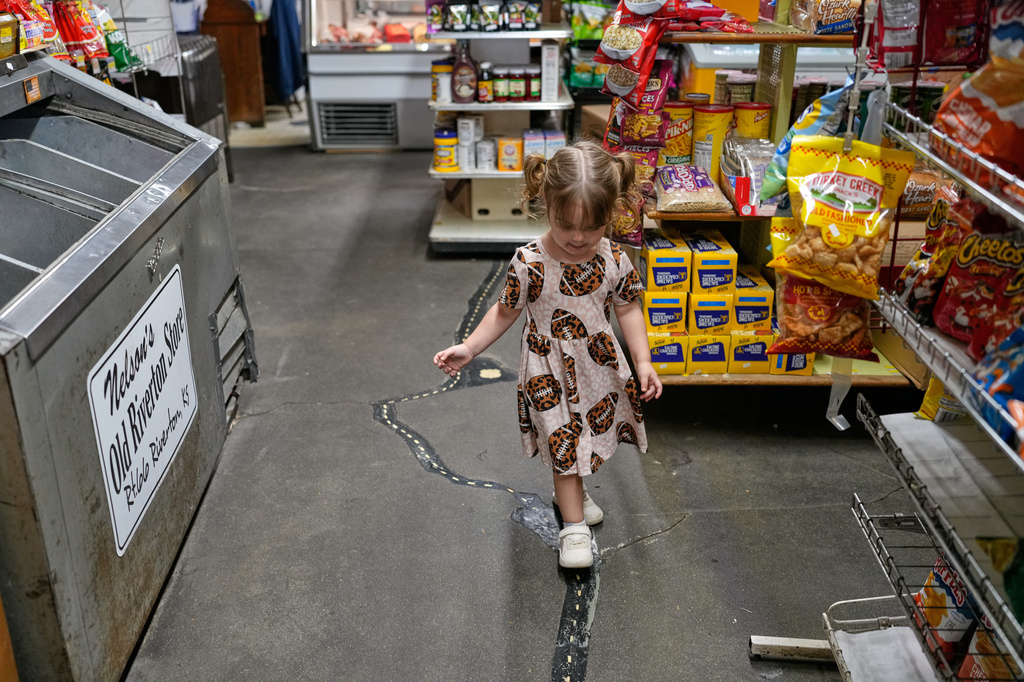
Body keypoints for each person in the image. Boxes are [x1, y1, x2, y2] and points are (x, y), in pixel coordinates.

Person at [433, 140, 663, 569]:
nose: (577, 238)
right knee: (562, 442)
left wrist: (643, 361)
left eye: (591, 227)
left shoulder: (614, 257)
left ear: (611, 213)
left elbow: (629, 306)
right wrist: (469, 347)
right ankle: (573, 528)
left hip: (597, 368)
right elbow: (505, 311)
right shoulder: (530, 262)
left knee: (586, 439)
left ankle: (572, 491)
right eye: (566, 225)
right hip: (547, 372)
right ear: (546, 203)